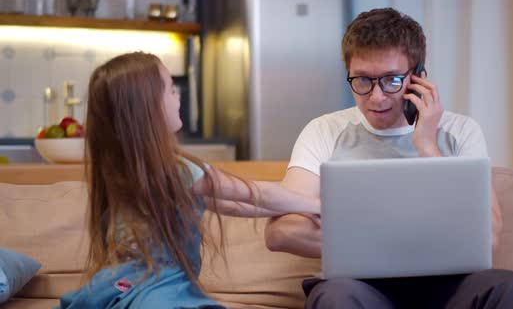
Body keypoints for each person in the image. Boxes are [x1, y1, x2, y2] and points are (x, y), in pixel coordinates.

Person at [265, 8, 513, 309]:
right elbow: (281, 231)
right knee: (335, 296)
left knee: (512, 287)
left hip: (451, 286)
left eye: (392, 80)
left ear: (419, 78)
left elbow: (487, 238)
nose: (376, 97)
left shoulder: (461, 131)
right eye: (363, 80)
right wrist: (401, 239)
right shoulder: (324, 131)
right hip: (359, 287)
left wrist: (427, 146)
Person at [56, 52, 319, 309]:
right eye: (171, 89)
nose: (178, 95)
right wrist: (317, 203)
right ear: (148, 107)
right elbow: (252, 193)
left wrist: (299, 207)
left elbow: (238, 206)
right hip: (157, 287)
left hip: (114, 286)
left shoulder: (125, 173)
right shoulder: (179, 172)